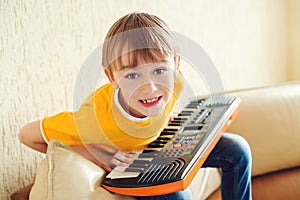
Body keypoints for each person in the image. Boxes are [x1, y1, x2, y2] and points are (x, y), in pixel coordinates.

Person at [19, 12, 252, 200]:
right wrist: (98, 154)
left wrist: (168, 119)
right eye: (132, 76)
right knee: (179, 197)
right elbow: (26, 135)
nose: (149, 88)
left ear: (176, 65)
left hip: (156, 148)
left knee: (238, 150)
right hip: (132, 167)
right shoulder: (96, 119)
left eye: (160, 70)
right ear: (112, 78)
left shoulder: (175, 83)